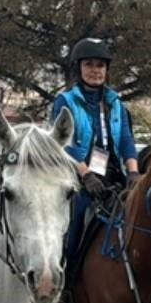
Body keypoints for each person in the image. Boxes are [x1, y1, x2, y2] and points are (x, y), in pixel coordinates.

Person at [55, 38, 140, 268]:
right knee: (76, 221)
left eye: (100, 65)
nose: (95, 70)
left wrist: (133, 172)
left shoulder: (116, 103)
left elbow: (125, 139)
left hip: (112, 175)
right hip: (79, 177)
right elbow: (64, 145)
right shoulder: (66, 101)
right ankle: (67, 278)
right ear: (78, 68)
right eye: (89, 64)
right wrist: (86, 174)